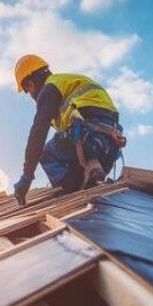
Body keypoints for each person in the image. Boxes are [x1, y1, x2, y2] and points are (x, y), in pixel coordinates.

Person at [12, 54, 126, 205]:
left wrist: (27, 176)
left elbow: (38, 132)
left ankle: (72, 197)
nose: (31, 95)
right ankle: (90, 172)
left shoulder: (50, 88)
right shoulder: (67, 83)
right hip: (109, 148)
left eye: (28, 90)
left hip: (88, 138)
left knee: (46, 155)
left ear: (30, 83)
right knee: (69, 163)